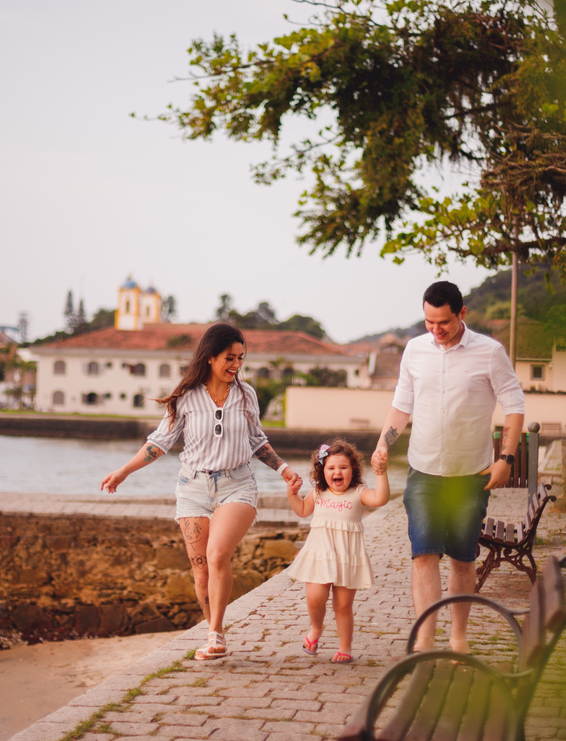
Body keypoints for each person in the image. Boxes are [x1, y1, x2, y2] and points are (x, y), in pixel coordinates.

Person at [100, 323, 298, 661]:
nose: (235, 365)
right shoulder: (185, 398)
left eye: (240, 358)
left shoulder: (246, 394)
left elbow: (256, 440)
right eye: (228, 358)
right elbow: (158, 444)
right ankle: (213, 633)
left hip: (237, 484)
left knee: (218, 555)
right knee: (201, 569)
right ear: (209, 358)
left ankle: (216, 634)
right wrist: (124, 471)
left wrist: (283, 469)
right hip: (192, 487)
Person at [371, 281, 526, 653]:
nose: (436, 330)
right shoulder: (414, 350)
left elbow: (514, 404)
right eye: (429, 322)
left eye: (443, 322)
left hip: (469, 476)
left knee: (461, 557)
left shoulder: (490, 352)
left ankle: (458, 637)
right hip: (422, 471)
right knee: (423, 554)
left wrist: (505, 459)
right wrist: (382, 445)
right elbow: (402, 404)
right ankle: (425, 639)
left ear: (462, 314)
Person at [284, 439, 390, 663]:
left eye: (343, 467)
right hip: (319, 554)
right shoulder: (318, 492)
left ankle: (345, 647)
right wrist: (293, 495)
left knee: (343, 606)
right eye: (331, 468)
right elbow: (303, 510)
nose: (337, 472)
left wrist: (381, 474)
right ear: (323, 472)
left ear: (353, 470)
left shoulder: (359, 492)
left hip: (347, 557)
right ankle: (316, 629)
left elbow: (380, 498)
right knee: (315, 598)